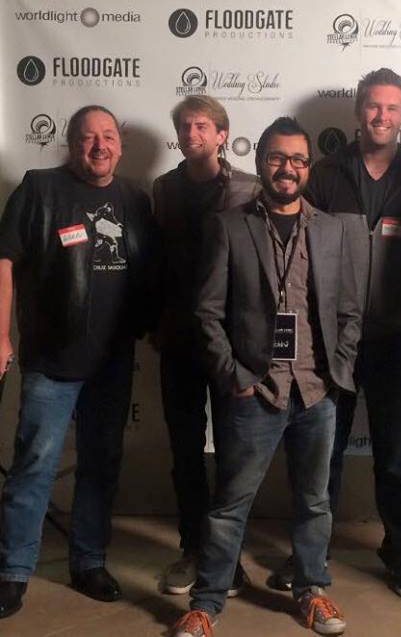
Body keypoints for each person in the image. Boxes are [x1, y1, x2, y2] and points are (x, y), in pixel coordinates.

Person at [171, 117, 362, 637]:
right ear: (260, 161)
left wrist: (337, 370)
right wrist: (234, 375)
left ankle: (312, 591)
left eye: (298, 159)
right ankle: (207, 603)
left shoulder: (332, 229)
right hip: (254, 390)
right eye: (277, 157)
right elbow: (208, 312)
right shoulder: (229, 226)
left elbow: (349, 310)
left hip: (317, 391)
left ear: (308, 168)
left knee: (315, 501)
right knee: (230, 504)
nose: (288, 168)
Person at [269, 68, 401, 598]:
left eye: (391, 108)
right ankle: (309, 553)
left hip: (396, 338)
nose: (381, 116)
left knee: (395, 454)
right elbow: (299, 248)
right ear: (358, 112)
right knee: (323, 451)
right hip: (333, 340)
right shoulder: (326, 173)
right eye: (373, 106)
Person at [0, 105, 158, 618]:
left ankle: (89, 562)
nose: (99, 146)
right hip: (53, 357)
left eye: (108, 136)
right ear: (71, 144)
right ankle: (12, 571)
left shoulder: (134, 199)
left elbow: (148, 270)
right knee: (34, 465)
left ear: (120, 145)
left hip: (113, 360)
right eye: (88, 137)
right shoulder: (39, 189)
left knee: (100, 465)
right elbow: (4, 261)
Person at [153, 95, 259, 596]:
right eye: (184, 126)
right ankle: (193, 549)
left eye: (202, 126)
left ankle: (227, 556)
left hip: (233, 342)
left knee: (235, 453)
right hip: (178, 340)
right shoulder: (163, 189)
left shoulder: (249, 189)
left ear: (222, 135)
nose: (191, 134)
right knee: (185, 451)